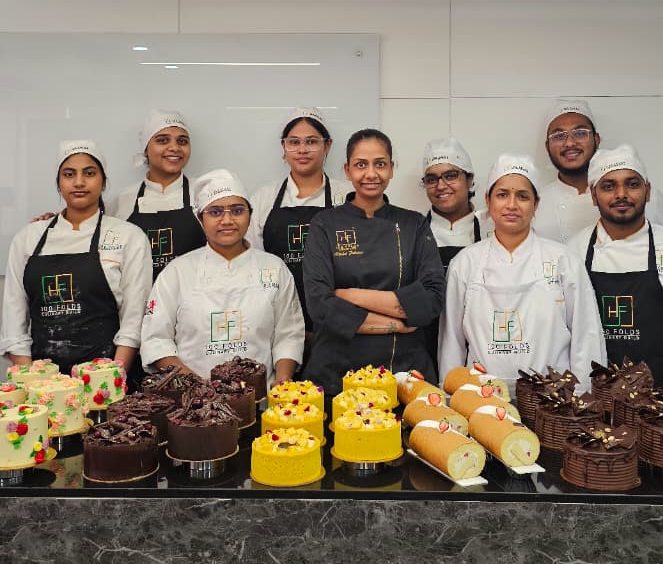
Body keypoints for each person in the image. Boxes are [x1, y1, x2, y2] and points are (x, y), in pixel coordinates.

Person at [439, 154, 605, 391]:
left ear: (536, 204)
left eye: (523, 196)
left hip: (553, 401)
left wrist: (582, 399)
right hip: (482, 400)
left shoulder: (563, 261)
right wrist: (452, 396)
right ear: (488, 200)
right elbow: (451, 343)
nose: (512, 205)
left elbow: (586, 336)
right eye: (502, 194)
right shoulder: (465, 263)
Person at [302, 128, 445, 393]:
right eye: (360, 165)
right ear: (347, 170)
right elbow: (320, 305)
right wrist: (398, 325)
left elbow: (431, 300)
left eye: (380, 164)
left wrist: (351, 295)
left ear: (391, 168)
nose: (370, 174)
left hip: (404, 372)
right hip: (336, 373)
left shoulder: (414, 224)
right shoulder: (324, 225)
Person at [570, 145, 663, 386]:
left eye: (632, 184)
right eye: (609, 186)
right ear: (594, 195)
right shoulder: (571, 254)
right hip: (594, 399)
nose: (621, 194)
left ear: (647, 191)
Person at [0, 140, 152, 377]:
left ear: (103, 182)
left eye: (89, 173)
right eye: (69, 174)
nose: (79, 182)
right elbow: (14, 321)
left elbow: (134, 320)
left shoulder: (128, 237)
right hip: (42, 383)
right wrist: (32, 382)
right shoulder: (28, 238)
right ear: (59, 183)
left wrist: (111, 379)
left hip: (108, 378)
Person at [140, 168, 304, 383]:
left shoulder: (274, 268)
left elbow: (289, 333)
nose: (227, 220)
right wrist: (200, 388)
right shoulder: (177, 272)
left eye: (237, 210)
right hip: (193, 404)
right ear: (200, 219)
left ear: (249, 215)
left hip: (262, 400)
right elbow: (156, 340)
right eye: (215, 212)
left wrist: (283, 381)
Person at [247, 107, 348, 329]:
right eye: (294, 142)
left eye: (311, 141)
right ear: (283, 147)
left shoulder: (347, 196)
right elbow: (252, 262)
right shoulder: (263, 198)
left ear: (327, 145)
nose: (302, 149)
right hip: (277, 315)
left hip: (337, 316)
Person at [533, 98, 663, 244]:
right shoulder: (533, 205)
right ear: (547, 146)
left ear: (596, 140)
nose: (570, 143)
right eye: (559, 136)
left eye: (580, 133)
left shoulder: (647, 198)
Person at [109, 109, 205, 280]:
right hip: (140, 302)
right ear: (146, 149)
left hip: (195, 301)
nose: (174, 147)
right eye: (163, 140)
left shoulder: (204, 192)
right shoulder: (119, 203)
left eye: (182, 141)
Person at [421, 137, 484, 370]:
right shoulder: (413, 230)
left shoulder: (493, 229)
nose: (441, 185)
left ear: (469, 180)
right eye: (431, 179)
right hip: (426, 341)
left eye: (451, 175)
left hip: (482, 340)